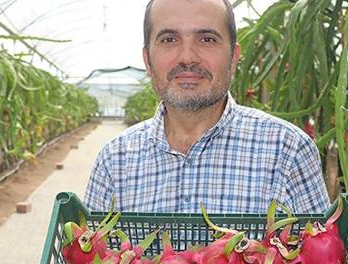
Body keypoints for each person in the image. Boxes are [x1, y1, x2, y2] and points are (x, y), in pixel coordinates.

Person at [84, 0, 329, 214]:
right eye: (169, 40)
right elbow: (88, 261)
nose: (187, 57)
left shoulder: (288, 151)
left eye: (207, 39)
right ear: (147, 60)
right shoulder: (115, 160)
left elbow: (321, 261)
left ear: (233, 57)